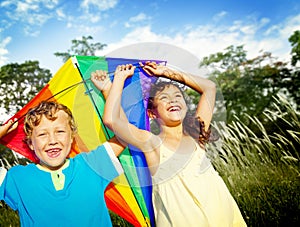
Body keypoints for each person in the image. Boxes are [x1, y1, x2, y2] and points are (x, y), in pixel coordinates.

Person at [92, 62, 247, 227]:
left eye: (177, 96)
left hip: (224, 219)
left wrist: (166, 72)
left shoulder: (197, 135)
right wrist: (115, 83)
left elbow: (209, 88)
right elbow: (112, 120)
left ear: (186, 106)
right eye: (164, 98)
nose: (173, 100)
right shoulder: (151, 143)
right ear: (152, 113)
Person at [0, 101, 125, 226]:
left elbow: (126, 133)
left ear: (71, 137)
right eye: (42, 134)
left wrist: (106, 88)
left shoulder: (90, 166)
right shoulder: (18, 178)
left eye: (60, 131)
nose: (52, 140)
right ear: (31, 143)